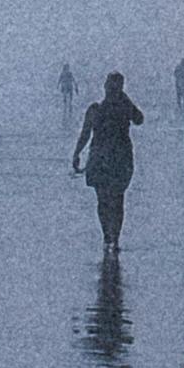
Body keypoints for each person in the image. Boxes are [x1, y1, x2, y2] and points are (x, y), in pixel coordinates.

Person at [72, 72, 145, 247]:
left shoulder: (97, 109)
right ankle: (114, 237)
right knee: (116, 200)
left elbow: (85, 134)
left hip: (102, 158)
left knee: (104, 200)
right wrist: (126, 100)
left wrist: (77, 153)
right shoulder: (121, 108)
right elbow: (139, 119)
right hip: (119, 158)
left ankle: (108, 236)